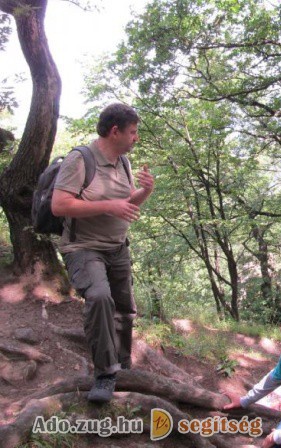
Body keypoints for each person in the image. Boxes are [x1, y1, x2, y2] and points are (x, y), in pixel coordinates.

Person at [51, 103, 154, 403]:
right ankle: (105, 374)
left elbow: (126, 204)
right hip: (84, 248)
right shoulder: (80, 159)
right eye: (133, 132)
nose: (136, 138)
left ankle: (123, 366)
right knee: (98, 298)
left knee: (125, 309)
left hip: (117, 248)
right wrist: (109, 206)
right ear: (115, 131)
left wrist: (145, 191)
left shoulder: (123, 162)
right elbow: (60, 205)